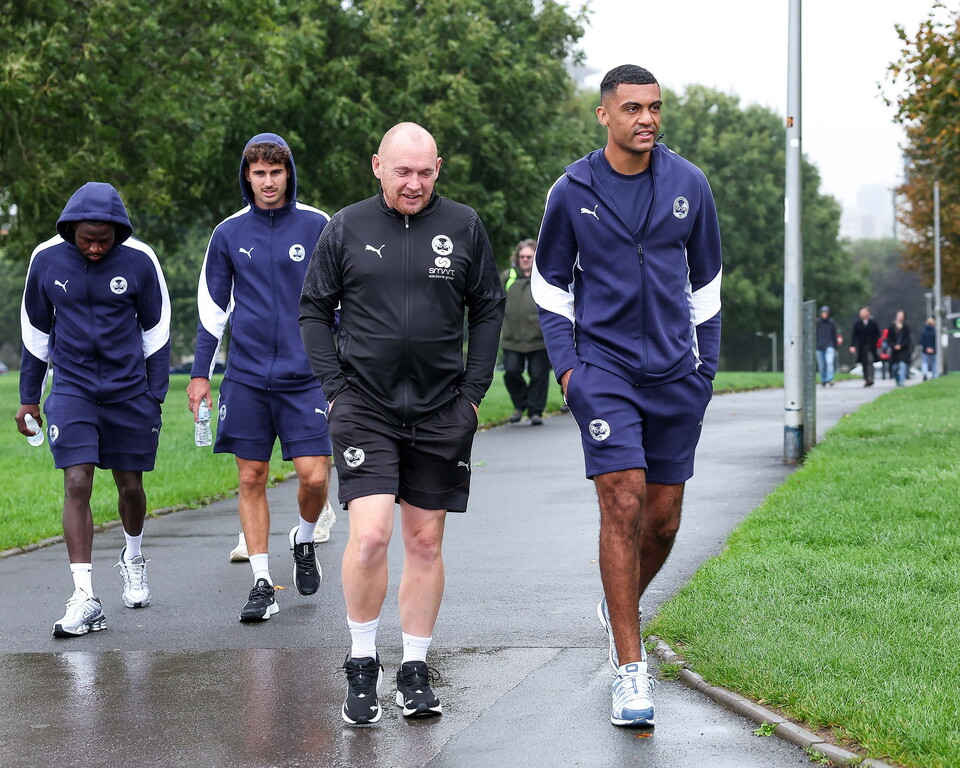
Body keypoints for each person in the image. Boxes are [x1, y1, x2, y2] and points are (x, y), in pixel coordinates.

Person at [532, 65, 721, 728]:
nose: (647, 119)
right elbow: (550, 288)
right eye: (633, 108)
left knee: (664, 520)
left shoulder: (688, 184)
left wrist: (706, 373)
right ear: (604, 115)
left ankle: (619, 614)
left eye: (655, 108)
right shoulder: (572, 190)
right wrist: (568, 372)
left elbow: (708, 287)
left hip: (675, 376)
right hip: (604, 371)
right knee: (625, 502)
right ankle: (631, 671)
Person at [299, 122, 505, 724]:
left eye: (424, 172)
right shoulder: (346, 228)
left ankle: (414, 667)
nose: (413, 184)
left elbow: (488, 308)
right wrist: (335, 390)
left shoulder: (464, 226)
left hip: (443, 409)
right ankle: (362, 662)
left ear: (437, 168)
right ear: (377, 167)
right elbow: (314, 309)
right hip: (364, 406)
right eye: (401, 171)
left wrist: (472, 393)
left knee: (424, 541)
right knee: (369, 536)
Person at [187, 133, 334, 623]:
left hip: (307, 375)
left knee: (315, 476)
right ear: (246, 177)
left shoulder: (318, 225)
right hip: (247, 377)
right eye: (259, 173)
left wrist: (345, 367)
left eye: (276, 172)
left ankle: (304, 536)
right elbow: (212, 311)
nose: (268, 182)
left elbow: (341, 303)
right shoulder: (228, 233)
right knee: (251, 475)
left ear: (288, 172)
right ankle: (261, 582)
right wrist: (200, 375)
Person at [17, 182, 171, 637]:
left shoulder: (140, 261)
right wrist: (29, 397)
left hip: (128, 393)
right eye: (87, 239)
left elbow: (156, 332)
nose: (97, 247)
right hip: (73, 389)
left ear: (119, 232)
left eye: (105, 239)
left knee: (129, 488)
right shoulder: (45, 261)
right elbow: (35, 335)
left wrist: (153, 394)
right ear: (71, 231)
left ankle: (133, 555)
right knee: (77, 480)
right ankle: (84, 595)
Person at [500, 238, 550, 425]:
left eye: (529, 256)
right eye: (522, 256)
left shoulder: (544, 275)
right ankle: (520, 404)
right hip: (512, 337)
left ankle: (535, 412)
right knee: (511, 372)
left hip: (539, 338)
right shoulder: (508, 276)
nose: (525, 260)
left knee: (539, 376)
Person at [849, 307, 880, 387]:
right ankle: (866, 379)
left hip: (871, 346)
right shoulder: (857, 324)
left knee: (870, 361)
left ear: (868, 313)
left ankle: (871, 378)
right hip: (861, 346)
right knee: (864, 363)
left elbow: (877, 334)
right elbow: (854, 336)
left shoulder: (873, 323)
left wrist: (875, 343)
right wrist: (852, 345)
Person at [886, 310, 913, 387]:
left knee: (902, 365)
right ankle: (897, 379)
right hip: (895, 352)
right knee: (894, 368)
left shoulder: (906, 327)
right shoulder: (892, 326)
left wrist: (901, 345)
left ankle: (901, 381)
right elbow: (889, 338)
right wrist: (893, 346)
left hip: (903, 351)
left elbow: (908, 339)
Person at [815, 305, 839, 387]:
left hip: (829, 345)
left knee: (829, 362)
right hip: (819, 346)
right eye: (823, 313)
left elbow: (834, 335)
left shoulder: (831, 323)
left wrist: (835, 346)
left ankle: (830, 378)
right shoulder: (817, 323)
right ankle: (823, 379)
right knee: (822, 365)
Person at [920, 316, 937, 380]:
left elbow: (922, 341)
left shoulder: (923, 331)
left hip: (925, 350)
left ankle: (924, 373)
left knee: (925, 363)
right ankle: (934, 375)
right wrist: (932, 348)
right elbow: (936, 341)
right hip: (933, 350)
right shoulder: (935, 331)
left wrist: (927, 348)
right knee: (934, 363)